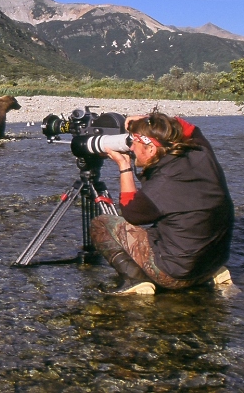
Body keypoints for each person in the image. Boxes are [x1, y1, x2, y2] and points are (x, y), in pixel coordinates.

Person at [91, 112, 234, 295]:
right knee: (170, 224)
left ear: (151, 149)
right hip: (213, 262)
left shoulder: (162, 184)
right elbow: (192, 129)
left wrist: (124, 167)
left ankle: (135, 280)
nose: (131, 149)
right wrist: (148, 119)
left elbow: (130, 213)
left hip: (176, 275)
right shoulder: (201, 152)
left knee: (102, 224)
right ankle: (209, 275)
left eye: (134, 143)